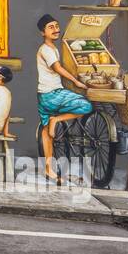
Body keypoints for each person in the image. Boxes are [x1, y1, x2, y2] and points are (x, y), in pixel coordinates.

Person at [35, 14, 93, 184]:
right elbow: (58, 68)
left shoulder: (53, 48)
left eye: (56, 26)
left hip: (43, 95)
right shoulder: (46, 49)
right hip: (53, 94)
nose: (55, 29)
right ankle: (57, 119)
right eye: (50, 27)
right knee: (86, 106)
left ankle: (49, 169)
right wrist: (76, 81)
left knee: (46, 132)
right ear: (42, 33)